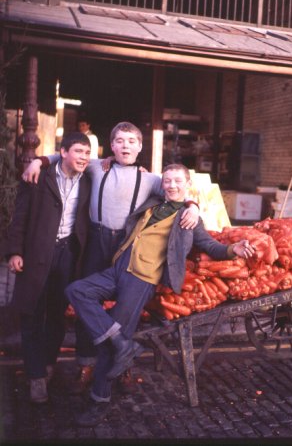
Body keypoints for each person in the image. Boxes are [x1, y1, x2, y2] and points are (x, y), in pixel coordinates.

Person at [65, 163, 254, 427]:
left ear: (187, 184)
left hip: (142, 280)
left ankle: (99, 400)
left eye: (178, 181)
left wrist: (234, 248)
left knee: (108, 344)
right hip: (119, 268)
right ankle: (123, 343)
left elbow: (210, 245)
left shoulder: (190, 218)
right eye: (167, 181)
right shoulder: (152, 201)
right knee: (77, 290)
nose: (172, 185)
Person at [22, 121, 200, 394]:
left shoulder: (151, 178)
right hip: (95, 240)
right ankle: (87, 364)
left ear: (140, 146)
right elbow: (68, 155)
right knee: (84, 305)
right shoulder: (95, 166)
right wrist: (39, 160)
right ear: (111, 146)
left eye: (131, 141)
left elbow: (178, 190)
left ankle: (122, 365)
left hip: (126, 243)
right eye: (120, 141)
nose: (125, 146)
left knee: (125, 308)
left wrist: (193, 206)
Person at [5, 132, 92, 404]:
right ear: (63, 152)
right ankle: (35, 377)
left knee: (56, 315)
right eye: (78, 151)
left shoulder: (90, 178)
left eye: (87, 153)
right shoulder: (38, 176)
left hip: (68, 254)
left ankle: (48, 365)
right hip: (36, 253)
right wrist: (14, 252)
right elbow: (19, 217)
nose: (84, 158)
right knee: (32, 313)